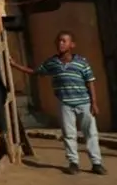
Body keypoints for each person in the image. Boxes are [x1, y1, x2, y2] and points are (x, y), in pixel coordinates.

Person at [10, 30, 105, 175]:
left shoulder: (81, 62)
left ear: (72, 45)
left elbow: (90, 82)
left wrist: (94, 103)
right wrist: (15, 65)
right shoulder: (52, 63)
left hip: (84, 103)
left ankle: (96, 163)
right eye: (58, 41)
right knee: (69, 134)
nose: (60, 43)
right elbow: (35, 72)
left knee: (90, 133)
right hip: (65, 104)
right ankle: (73, 163)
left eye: (64, 41)